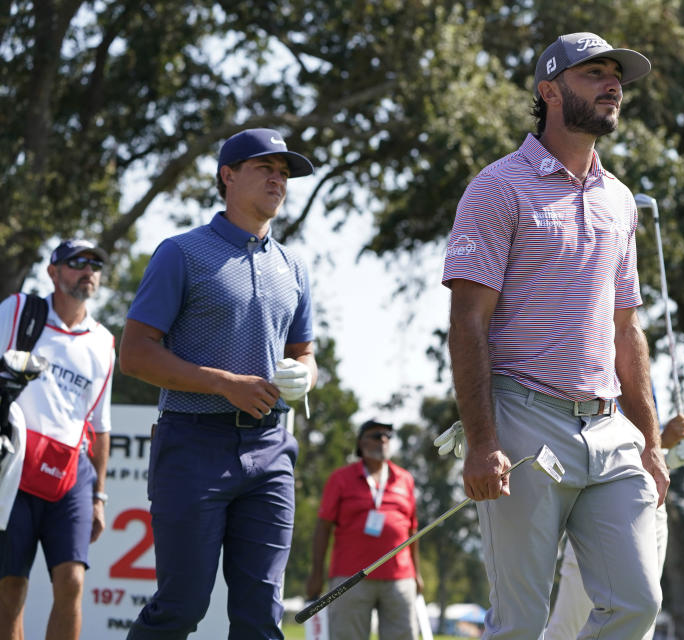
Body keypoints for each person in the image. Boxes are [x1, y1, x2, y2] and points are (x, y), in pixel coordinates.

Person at [442, 31, 668, 639]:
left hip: (608, 426)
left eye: (616, 77)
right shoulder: (499, 186)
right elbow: (467, 322)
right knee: (519, 623)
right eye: (594, 73)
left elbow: (627, 329)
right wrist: (482, 441)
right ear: (549, 90)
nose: (613, 85)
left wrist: (650, 440)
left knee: (637, 603)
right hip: (522, 420)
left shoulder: (621, 201)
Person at [119, 127, 318, 639]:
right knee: (181, 607)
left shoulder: (293, 265)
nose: (278, 180)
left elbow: (305, 353)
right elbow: (135, 354)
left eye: (284, 173)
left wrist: (306, 376)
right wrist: (224, 383)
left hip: (271, 448)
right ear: (228, 176)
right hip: (192, 445)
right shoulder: (181, 253)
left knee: (260, 617)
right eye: (264, 169)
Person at [0, 239, 115, 640]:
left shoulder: (103, 342)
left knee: (72, 583)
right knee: (9, 589)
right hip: (12, 468)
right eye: (77, 262)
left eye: (95, 265)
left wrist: (99, 496)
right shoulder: (18, 310)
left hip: (71, 473)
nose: (88, 271)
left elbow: (100, 426)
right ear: (53, 271)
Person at [544, 410, 684, 640]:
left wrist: (662, 448)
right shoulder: (606, 374)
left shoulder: (648, 379)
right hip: (603, 500)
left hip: (651, 500)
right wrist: (661, 440)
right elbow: (598, 435)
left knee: (638, 624)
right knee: (569, 628)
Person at [306, 419, 423, 640]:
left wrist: (417, 574)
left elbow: (412, 531)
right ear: (361, 443)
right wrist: (316, 573)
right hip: (349, 578)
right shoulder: (341, 478)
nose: (384, 440)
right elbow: (323, 527)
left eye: (388, 436)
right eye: (376, 435)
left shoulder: (405, 479)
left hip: (399, 578)